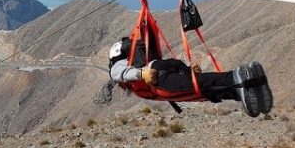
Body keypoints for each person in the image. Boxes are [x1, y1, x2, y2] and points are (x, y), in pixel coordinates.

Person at [107, 38, 273, 117]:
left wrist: (140, 74)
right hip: (165, 67)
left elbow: (119, 74)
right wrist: (186, 70)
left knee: (199, 86)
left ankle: (236, 77)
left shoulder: (117, 64)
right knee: (202, 91)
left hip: (159, 80)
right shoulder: (136, 57)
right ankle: (248, 87)